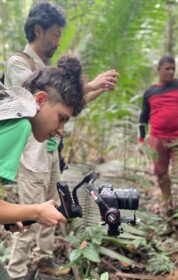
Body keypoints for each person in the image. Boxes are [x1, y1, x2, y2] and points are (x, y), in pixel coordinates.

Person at [4, 2, 118, 279]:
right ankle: (16, 271)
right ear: (38, 29)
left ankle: (42, 260)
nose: (58, 41)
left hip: (48, 154)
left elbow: (58, 108)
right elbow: (37, 99)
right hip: (30, 156)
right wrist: (89, 85)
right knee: (31, 213)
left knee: (34, 214)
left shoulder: (41, 97)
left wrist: (95, 90)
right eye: (55, 34)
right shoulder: (18, 117)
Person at [0, 55, 85, 279]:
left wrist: (12, 215)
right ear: (39, 99)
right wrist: (36, 211)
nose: (60, 130)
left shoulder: (10, 112)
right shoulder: (19, 126)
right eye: (61, 118)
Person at [138, 55, 178, 216]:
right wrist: (141, 139)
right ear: (158, 70)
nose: (171, 72)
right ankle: (168, 204)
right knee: (160, 173)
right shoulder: (150, 92)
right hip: (158, 138)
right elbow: (143, 117)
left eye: (173, 68)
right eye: (167, 69)